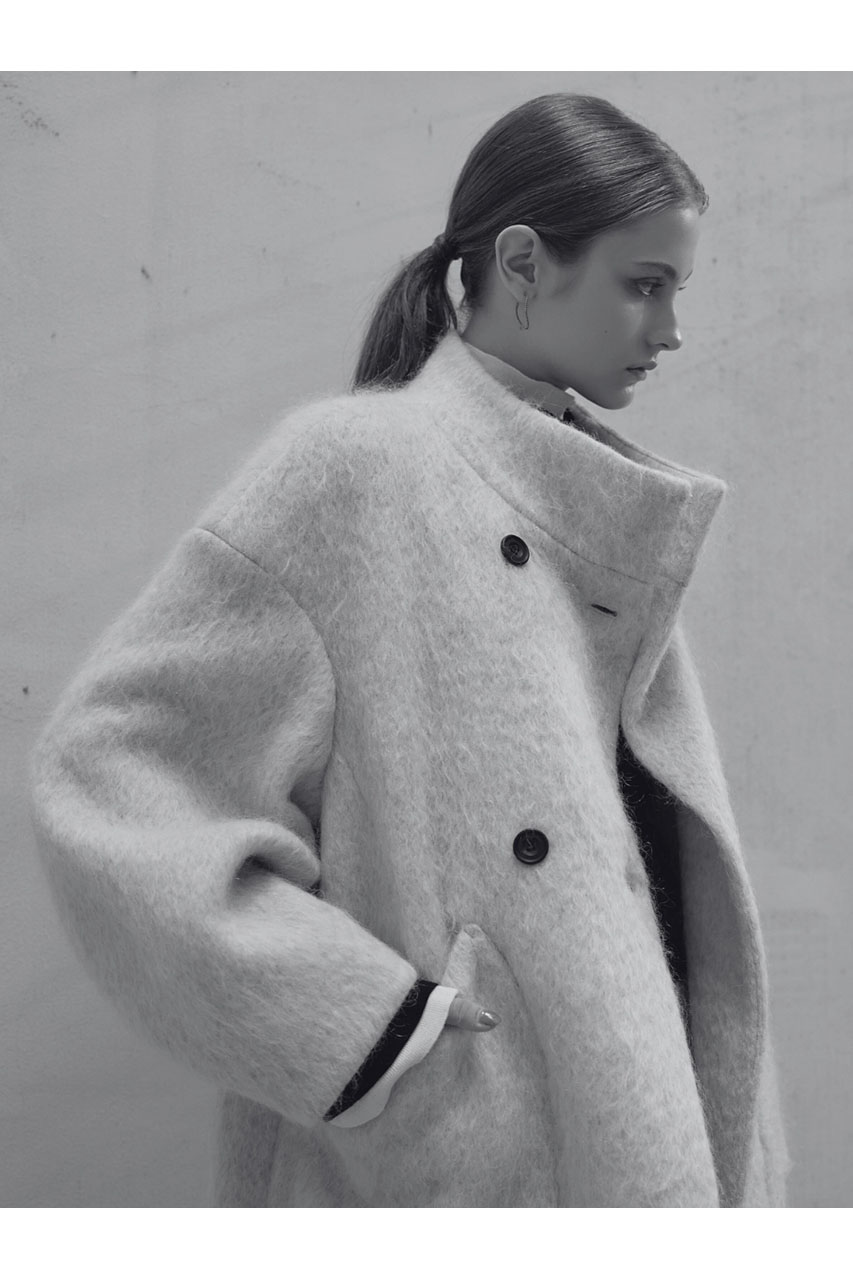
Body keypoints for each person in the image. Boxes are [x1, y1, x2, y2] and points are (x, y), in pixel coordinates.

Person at [28, 91, 792, 1207]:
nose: (671, 329)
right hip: (467, 1160)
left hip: (637, 1124)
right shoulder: (354, 473)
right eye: (644, 284)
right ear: (522, 263)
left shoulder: (603, 514)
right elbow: (109, 776)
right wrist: (370, 1036)